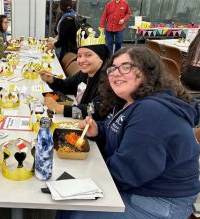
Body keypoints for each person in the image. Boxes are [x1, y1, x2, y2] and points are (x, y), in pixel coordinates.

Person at [57, 47, 200, 218]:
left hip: (160, 200)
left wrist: (85, 177)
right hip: (138, 185)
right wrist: (98, 131)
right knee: (67, 204)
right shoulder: (131, 101)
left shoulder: (152, 111)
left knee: (76, 211)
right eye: (113, 69)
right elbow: (117, 129)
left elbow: (127, 173)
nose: (116, 73)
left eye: (126, 67)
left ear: (148, 72)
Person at [39, 28, 110, 121]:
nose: (81, 60)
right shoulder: (84, 73)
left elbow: (95, 112)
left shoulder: (109, 81)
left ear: (101, 57)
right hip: (78, 121)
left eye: (88, 55)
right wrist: (51, 79)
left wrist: (60, 108)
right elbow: (67, 86)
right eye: (79, 56)